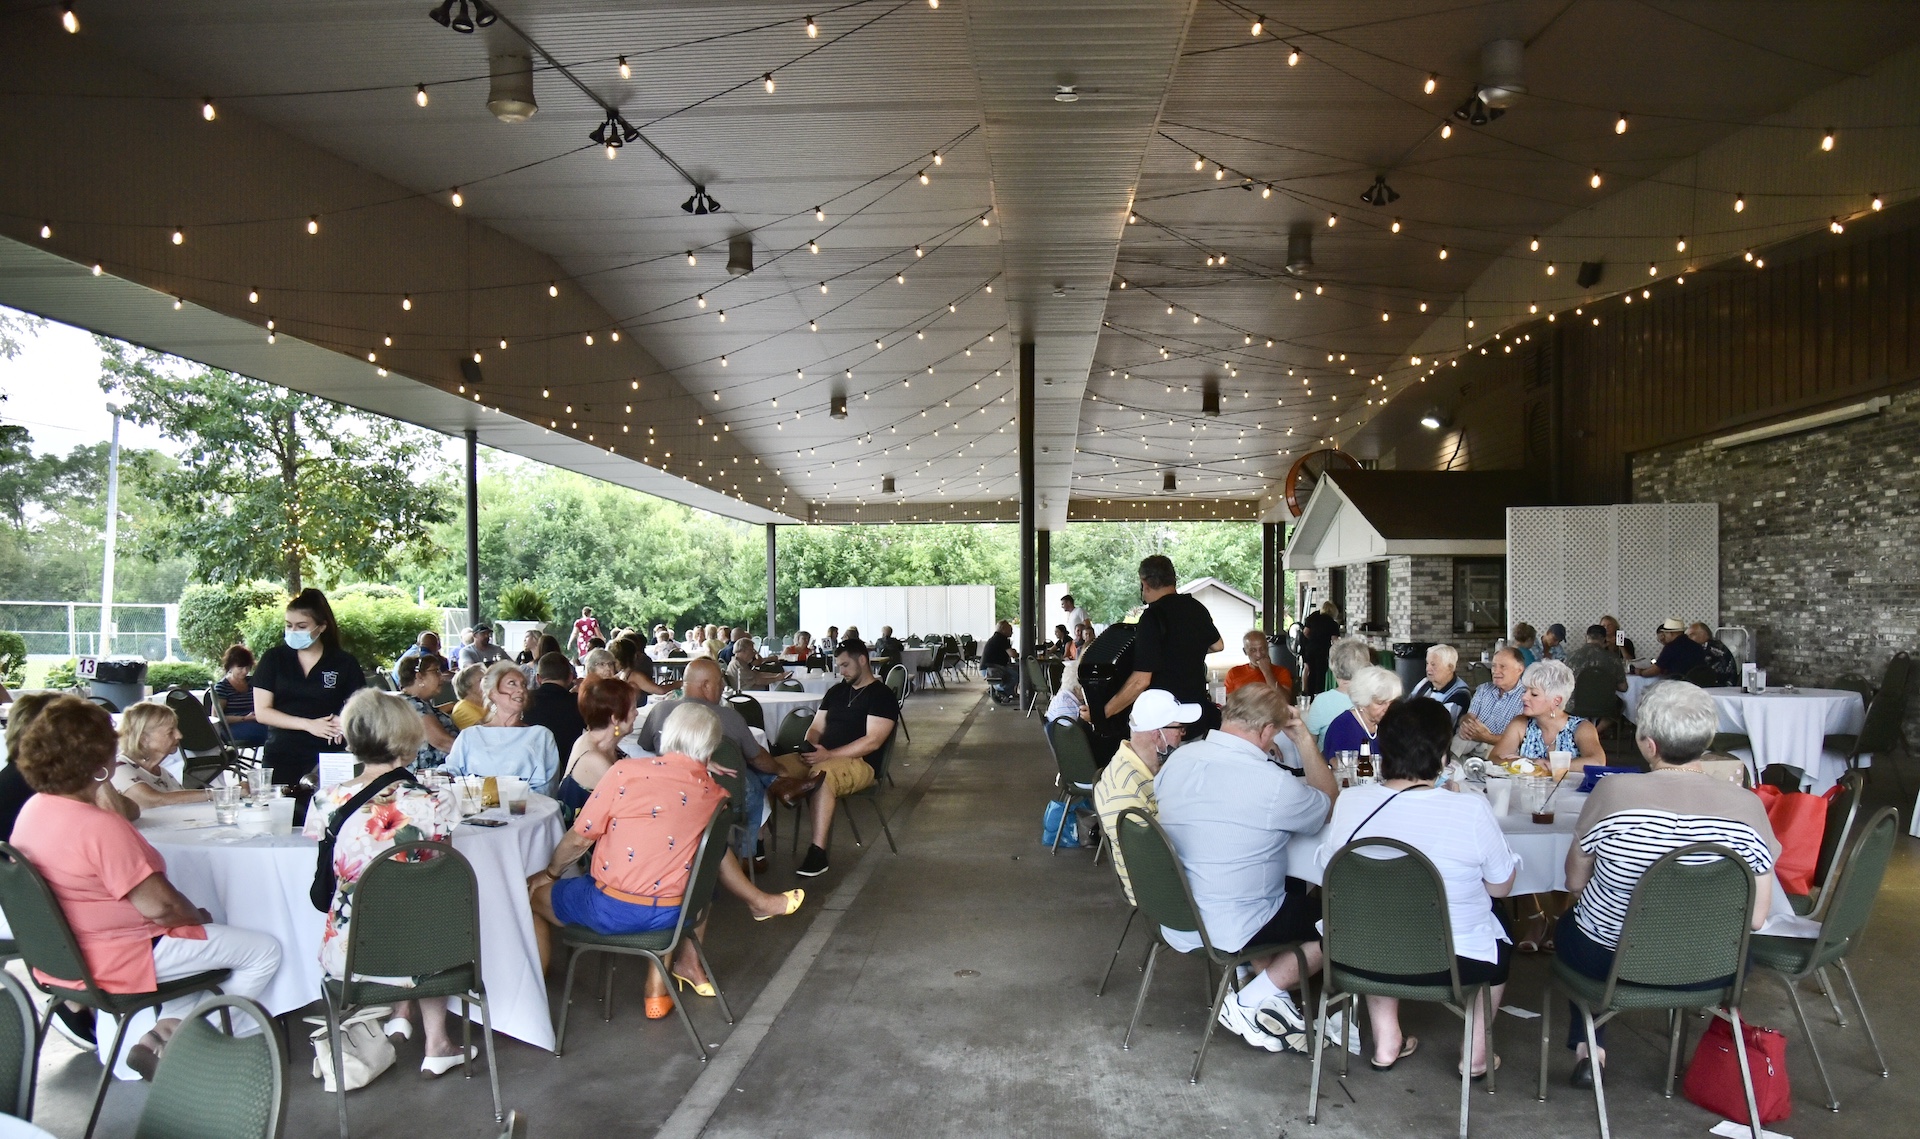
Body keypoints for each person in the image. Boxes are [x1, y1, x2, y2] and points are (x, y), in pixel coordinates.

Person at [10, 695, 282, 1079]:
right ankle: (182, 1043)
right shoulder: (97, 826)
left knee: (195, 947)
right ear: (99, 758)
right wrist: (196, 918)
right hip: (121, 956)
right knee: (264, 951)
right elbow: (163, 909)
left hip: (66, 954)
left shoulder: (35, 809)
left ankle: (164, 1033)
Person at [1557, 680, 1778, 1086]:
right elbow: (1757, 919)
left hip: (1610, 961)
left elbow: (1574, 881)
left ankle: (1591, 1047)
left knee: (1574, 922)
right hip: (1714, 964)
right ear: (1707, 739)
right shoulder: (1748, 807)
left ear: (1648, 744)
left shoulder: (1613, 792)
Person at [528, 702, 805, 1015]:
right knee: (697, 861)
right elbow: (689, 796)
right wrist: (701, 768)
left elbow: (579, 839)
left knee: (531, 894)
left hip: (613, 910)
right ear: (712, 747)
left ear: (664, 735)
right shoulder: (714, 792)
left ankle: (532, 993)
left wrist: (550, 874)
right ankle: (656, 991)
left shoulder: (624, 772)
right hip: (682, 914)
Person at [1314, 699, 1517, 1076]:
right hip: (1455, 963)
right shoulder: (1470, 809)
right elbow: (1500, 888)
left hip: (1356, 953)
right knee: (1502, 927)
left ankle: (1386, 1040)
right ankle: (1474, 1053)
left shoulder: (1350, 802)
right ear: (1443, 755)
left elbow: (1328, 870)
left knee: (1379, 912)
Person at [1154, 684, 1337, 1053]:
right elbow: (1328, 803)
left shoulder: (1178, 759)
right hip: (1233, 922)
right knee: (1345, 919)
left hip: (1176, 911)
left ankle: (1260, 983)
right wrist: (1302, 739)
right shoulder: (1271, 784)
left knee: (1267, 885)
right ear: (1269, 731)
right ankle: (1254, 996)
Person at [302, 690, 471, 1074]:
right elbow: (438, 876)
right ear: (408, 737)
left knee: (409, 912)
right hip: (422, 951)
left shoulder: (327, 799)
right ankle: (438, 1042)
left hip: (350, 953)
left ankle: (399, 1017)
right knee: (431, 914)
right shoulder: (433, 801)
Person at [768, 640, 899, 878]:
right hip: (821, 755)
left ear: (862, 660)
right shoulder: (836, 691)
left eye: (846, 665)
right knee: (768, 767)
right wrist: (812, 744)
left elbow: (873, 741)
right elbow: (816, 726)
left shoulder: (882, 695)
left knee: (821, 778)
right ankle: (756, 846)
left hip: (860, 763)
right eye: (839, 666)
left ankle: (818, 852)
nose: (842, 671)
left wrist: (828, 755)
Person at [626, 658, 775, 864]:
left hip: (673, 796)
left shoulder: (659, 711)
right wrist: (780, 769)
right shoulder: (730, 717)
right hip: (724, 801)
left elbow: (646, 746)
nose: (723, 686)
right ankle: (749, 854)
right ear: (705, 685)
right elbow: (756, 757)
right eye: (719, 681)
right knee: (755, 782)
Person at [1092, 690, 1201, 906]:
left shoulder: (1137, 765)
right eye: (1180, 728)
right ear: (1156, 735)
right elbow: (1160, 861)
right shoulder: (1125, 793)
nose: (1183, 734)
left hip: (1167, 879)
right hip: (1165, 898)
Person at [247, 588, 366, 785]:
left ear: (321, 627)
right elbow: (262, 712)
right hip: (283, 752)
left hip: (329, 753)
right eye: (289, 626)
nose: (293, 631)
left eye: (301, 626)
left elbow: (360, 706)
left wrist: (344, 721)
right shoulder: (274, 659)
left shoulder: (343, 662)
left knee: (330, 810)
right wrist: (309, 725)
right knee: (284, 811)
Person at [1104, 555, 1224, 733]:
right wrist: (1185, 650)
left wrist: (1104, 713)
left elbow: (1140, 681)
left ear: (1144, 583)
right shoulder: (1196, 608)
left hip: (1166, 720)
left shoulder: (1152, 617)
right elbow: (1218, 645)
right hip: (1197, 712)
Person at [440, 661, 560, 793]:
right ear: (492, 693)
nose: (521, 690)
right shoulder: (470, 736)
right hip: (474, 810)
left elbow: (548, 788)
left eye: (524, 685)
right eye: (512, 683)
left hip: (524, 810)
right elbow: (450, 770)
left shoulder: (541, 736)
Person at [1493, 660, 1606, 773]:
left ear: (1556, 701)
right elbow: (1494, 759)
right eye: (1525, 691)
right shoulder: (1520, 724)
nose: (1524, 697)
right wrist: (1529, 763)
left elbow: (1598, 762)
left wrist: (1553, 766)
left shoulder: (1581, 727)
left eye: (1534, 694)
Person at [555, 677, 635, 814]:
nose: (636, 713)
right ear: (615, 719)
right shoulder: (593, 759)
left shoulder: (600, 743)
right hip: (584, 834)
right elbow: (633, 800)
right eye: (633, 708)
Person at [113, 704, 213, 809]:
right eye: (170, 732)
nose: (179, 735)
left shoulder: (160, 772)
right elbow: (154, 800)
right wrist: (215, 794)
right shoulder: (119, 768)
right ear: (143, 739)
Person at [1452, 647, 1526, 759]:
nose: (1496, 671)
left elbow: (1521, 740)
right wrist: (1467, 724)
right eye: (1494, 666)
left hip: (1500, 749)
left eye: (1502, 666)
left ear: (1519, 670)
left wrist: (1487, 737)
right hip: (1472, 741)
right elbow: (1470, 715)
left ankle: (1444, 765)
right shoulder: (1483, 689)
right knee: (1460, 739)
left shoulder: (1526, 697)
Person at [1321, 665, 1402, 757]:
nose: (1388, 708)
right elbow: (1339, 764)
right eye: (1380, 703)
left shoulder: (1392, 723)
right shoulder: (1342, 727)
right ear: (1362, 702)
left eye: (1392, 702)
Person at [1305, 638, 1373, 746]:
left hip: (1327, 761)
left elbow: (1309, 745)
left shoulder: (1321, 702)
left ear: (1333, 667)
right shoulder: (1376, 700)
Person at [395, 654, 458, 768]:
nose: (441, 677)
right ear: (419, 677)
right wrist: (477, 754)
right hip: (431, 777)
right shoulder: (413, 705)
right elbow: (442, 741)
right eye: (436, 671)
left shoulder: (416, 703)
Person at [523, 652, 587, 760]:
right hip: (568, 765)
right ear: (570, 677)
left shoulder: (525, 701)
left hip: (531, 766)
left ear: (538, 678)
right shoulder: (579, 702)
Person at [211, 645, 269, 746]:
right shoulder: (222, 686)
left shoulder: (252, 682)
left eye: (247, 667)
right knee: (273, 735)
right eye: (240, 668)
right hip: (232, 727)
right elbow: (216, 717)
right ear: (230, 666)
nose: (245, 671)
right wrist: (244, 718)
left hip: (256, 722)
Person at [1408, 644, 1472, 722]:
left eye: (1433, 665)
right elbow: (1407, 705)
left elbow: (1441, 726)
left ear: (1450, 668)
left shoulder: (1460, 695)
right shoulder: (1425, 682)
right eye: (1427, 663)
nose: (1428, 669)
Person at [1224, 630, 1293, 698]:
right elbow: (1227, 703)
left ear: (1267, 648)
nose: (1259, 655)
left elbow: (1285, 701)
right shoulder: (1234, 673)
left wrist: (1267, 673)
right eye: (1253, 650)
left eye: (1262, 649)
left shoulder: (1281, 672)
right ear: (1245, 651)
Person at [1635, 617, 1706, 679]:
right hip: (1696, 684)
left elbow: (1655, 670)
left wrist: (1641, 672)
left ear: (1671, 633)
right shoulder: (1697, 646)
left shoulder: (1671, 647)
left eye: (1666, 633)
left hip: (1677, 684)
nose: (1664, 636)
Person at [1566, 625, 1629, 694]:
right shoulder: (1613, 659)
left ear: (1586, 637)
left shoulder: (1570, 656)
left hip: (1574, 703)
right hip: (1604, 703)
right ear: (1604, 639)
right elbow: (1623, 687)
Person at [1300, 600, 1342, 696]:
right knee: (1320, 672)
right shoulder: (1332, 623)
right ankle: (1318, 693)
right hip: (1322, 650)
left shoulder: (1313, 616)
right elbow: (1335, 640)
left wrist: (1313, 639)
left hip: (1309, 648)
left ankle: (1307, 692)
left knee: (1309, 669)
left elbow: (1305, 632)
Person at [1688, 622, 1740, 687]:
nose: (1688, 638)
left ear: (1703, 634)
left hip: (1722, 686)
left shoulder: (1712, 648)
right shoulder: (1714, 644)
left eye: (1692, 634)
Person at [980, 620, 1016, 700]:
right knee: (1016, 675)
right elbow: (1012, 654)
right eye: (1010, 630)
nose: (1012, 632)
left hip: (988, 668)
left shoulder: (997, 638)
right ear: (1003, 629)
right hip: (990, 669)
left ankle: (1003, 692)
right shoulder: (1001, 639)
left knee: (1015, 672)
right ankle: (1001, 691)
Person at [449, 663, 487, 730]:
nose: (487, 682)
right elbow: (486, 730)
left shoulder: (487, 702)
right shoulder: (462, 708)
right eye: (480, 680)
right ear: (468, 688)